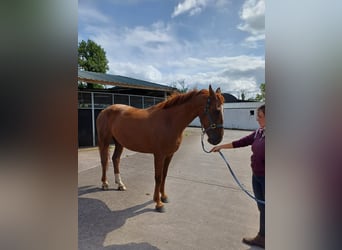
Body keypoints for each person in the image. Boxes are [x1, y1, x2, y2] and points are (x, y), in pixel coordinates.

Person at [210, 104, 265, 249]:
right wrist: (221, 146)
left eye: (260, 117)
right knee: (262, 207)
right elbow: (241, 142)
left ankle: (263, 237)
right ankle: (264, 236)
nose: (257, 120)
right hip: (257, 176)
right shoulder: (259, 132)